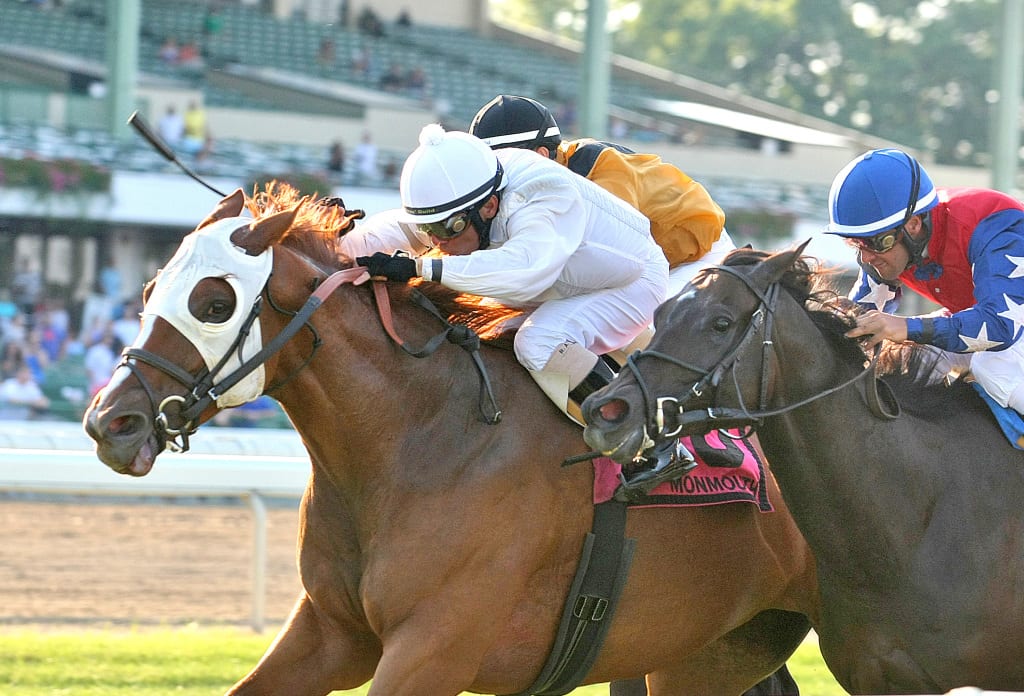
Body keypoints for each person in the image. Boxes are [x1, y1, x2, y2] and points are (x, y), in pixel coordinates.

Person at [340, 124, 669, 446]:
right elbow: (399, 229)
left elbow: (525, 271)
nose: (437, 241)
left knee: (538, 341)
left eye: (447, 228)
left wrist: (419, 266)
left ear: (489, 207)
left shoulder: (542, 192)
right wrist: (335, 238)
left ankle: (643, 436)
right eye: (430, 228)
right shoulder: (470, 196)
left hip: (630, 284)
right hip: (569, 286)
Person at [469, 94, 732, 298]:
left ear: (540, 155)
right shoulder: (542, 181)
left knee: (651, 327)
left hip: (700, 257)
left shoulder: (598, 168)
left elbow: (617, 260)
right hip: (655, 262)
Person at [826, 147, 1024, 416]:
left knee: (993, 367)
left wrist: (905, 326)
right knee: (908, 359)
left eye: (875, 242)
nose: (867, 257)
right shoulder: (889, 244)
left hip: (1007, 325)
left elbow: (1000, 326)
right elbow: (863, 318)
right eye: (855, 243)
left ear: (914, 225)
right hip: (996, 323)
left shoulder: (992, 226)